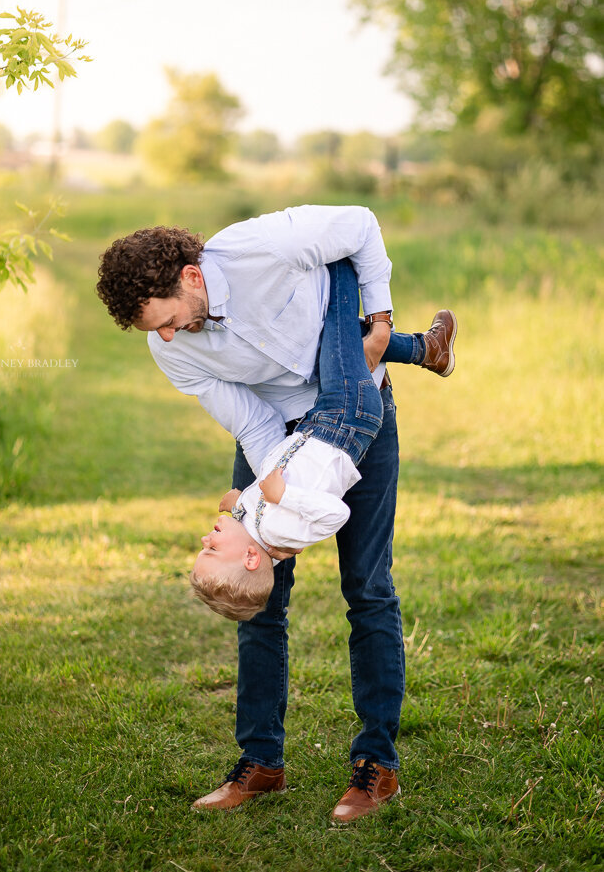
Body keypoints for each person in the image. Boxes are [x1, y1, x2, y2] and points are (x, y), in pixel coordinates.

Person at [96, 205, 457, 823]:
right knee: (257, 599)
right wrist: (274, 496)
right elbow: (253, 422)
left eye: (168, 321)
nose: (166, 338)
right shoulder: (173, 350)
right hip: (280, 447)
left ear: (191, 277)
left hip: (359, 412)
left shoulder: (259, 248)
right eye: (154, 331)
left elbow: (361, 226)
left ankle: (376, 766)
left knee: (368, 588)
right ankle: (261, 762)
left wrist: (377, 323)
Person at [190, 258, 457, 623]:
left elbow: (260, 501)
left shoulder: (257, 526)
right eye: (211, 552)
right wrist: (284, 496)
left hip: (321, 424)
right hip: (346, 422)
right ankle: (341, 254)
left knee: (327, 339)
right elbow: (336, 513)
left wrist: (240, 500)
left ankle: (427, 349)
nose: (205, 542)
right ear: (251, 559)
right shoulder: (279, 532)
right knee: (336, 323)